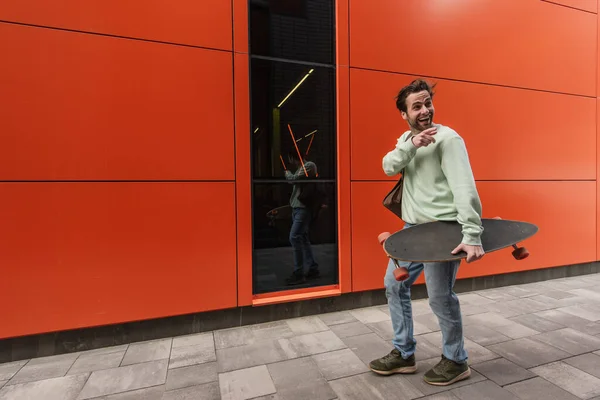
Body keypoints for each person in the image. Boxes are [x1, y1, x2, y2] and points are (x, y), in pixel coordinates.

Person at [369, 79, 484, 386]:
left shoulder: (449, 139)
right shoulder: (407, 140)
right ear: (404, 114)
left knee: (439, 297)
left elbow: (464, 188)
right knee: (394, 286)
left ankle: (456, 360)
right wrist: (411, 144)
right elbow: (387, 166)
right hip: (412, 230)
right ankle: (404, 353)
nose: (424, 111)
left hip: (442, 231)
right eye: (416, 106)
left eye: (427, 103)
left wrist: (471, 234)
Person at [284, 151, 320, 285]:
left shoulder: (309, 166)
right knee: (303, 238)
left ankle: (299, 272)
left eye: (290, 158)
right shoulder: (301, 168)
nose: (290, 161)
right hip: (297, 207)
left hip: (303, 208)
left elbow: (293, 179)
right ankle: (312, 268)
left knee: (294, 237)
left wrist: (287, 173)